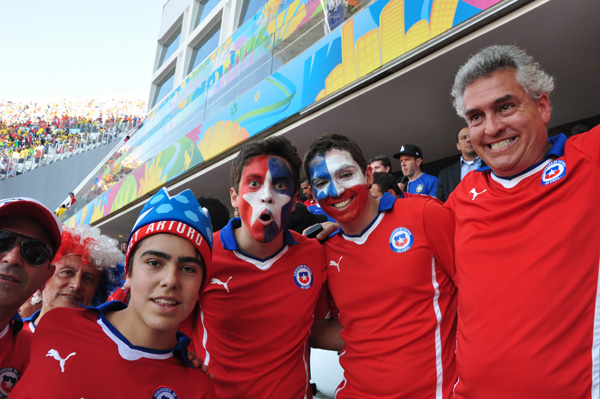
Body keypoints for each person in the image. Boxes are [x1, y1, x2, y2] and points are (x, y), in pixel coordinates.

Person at [446, 44, 600, 398]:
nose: (492, 128)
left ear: (542, 106)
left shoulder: (589, 160)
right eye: (476, 117)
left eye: (505, 107)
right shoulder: (459, 199)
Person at [11, 187, 215, 398]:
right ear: (129, 271)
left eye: (188, 269)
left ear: (202, 285)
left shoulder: (198, 388)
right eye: (154, 262)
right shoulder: (55, 325)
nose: (170, 280)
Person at [304, 133, 457, 398]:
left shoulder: (424, 215)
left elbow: (476, 293)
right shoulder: (322, 250)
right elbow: (316, 331)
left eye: (344, 175)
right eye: (321, 182)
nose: (336, 190)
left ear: (368, 175)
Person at [192, 136, 327, 399]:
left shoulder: (313, 254)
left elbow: (317, 328)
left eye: (279, 185)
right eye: (254, 183)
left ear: (296, 199)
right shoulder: (200, 254)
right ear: (234, 196)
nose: (266, 196)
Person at [0, 197, 62, 396]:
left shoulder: (34, 352)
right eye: (2, 241)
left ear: (46, 277)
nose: (12, 257)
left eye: (34, 251)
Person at [22, 225, 123, 332]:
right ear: (44, 276)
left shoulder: (102, 343)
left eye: (88, 278)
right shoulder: (10, 334)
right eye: (67, 272)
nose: (76, 285)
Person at [436, 127, 480, 202]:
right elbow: (441, 203)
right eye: (464, 138)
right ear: (458, 146)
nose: (468, 140)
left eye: (471, 136)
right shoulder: (445, 174)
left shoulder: (491, 163)